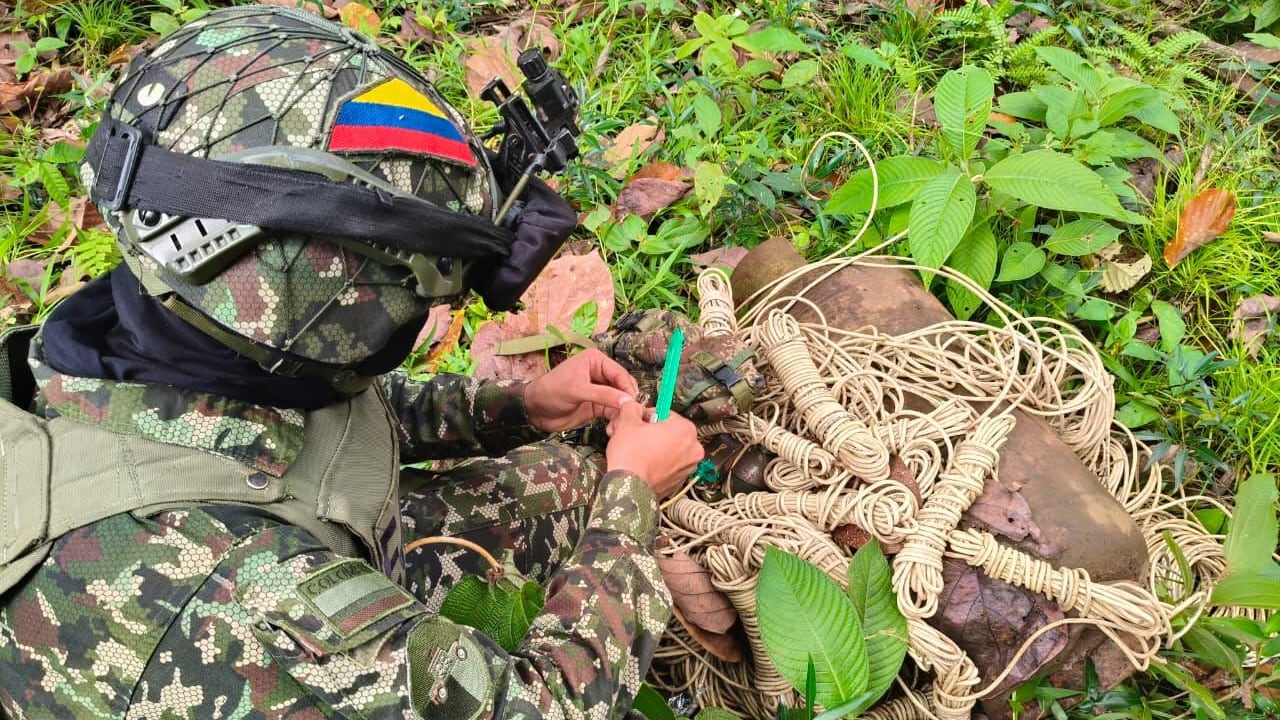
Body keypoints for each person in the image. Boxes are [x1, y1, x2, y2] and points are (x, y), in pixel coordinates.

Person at [0, 6, 721, 718]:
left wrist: (518, 406)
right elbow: (539, 709)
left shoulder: (136, 336)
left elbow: (279, 423)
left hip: (246, 554)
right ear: (308, 306)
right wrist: (632, 506)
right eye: (413, 301)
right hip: (216, 639)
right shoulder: (254, 601)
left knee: (564, 480)